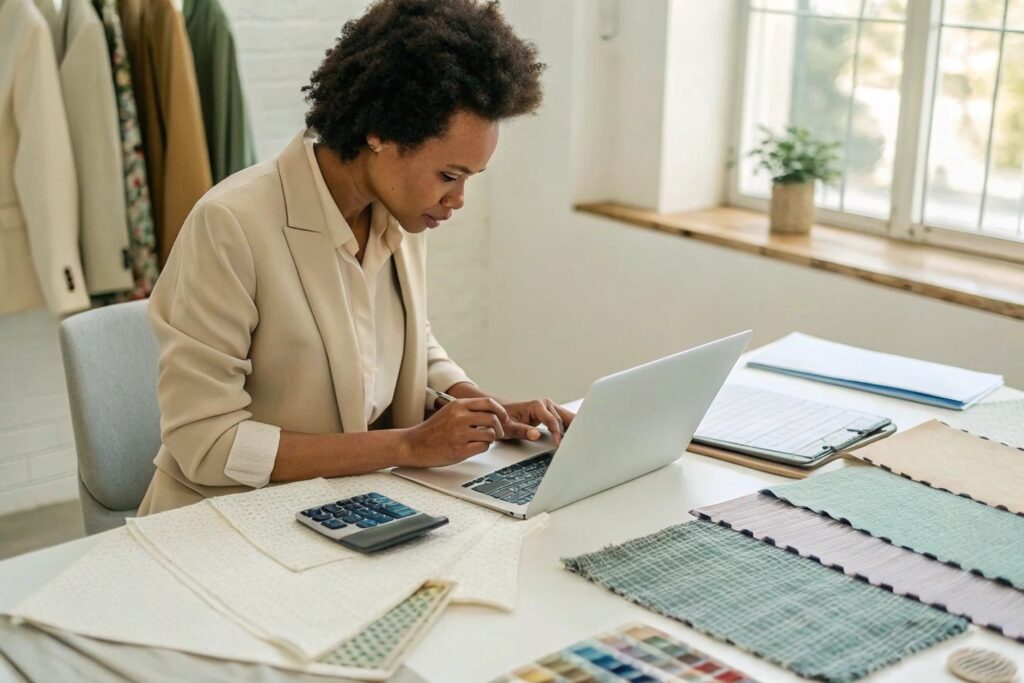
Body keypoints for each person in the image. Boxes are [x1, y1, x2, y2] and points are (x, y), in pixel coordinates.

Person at [137, 0, 574, 514]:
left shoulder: (401, 215)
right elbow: (206, 444)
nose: (457, 200)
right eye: (449, 176)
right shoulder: (231, 225)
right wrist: (411, 446)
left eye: (468, 180)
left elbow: (404, 344)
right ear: (379, 132)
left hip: (346, 507)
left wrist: (482, 408)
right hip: (226, 519)